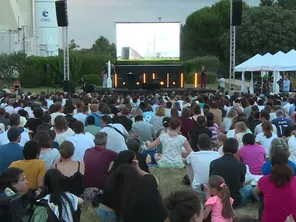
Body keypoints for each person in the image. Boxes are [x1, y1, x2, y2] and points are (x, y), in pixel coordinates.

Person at [210, 138, 253, 207]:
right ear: (236, 150)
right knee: (249, 188)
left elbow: (211, 181)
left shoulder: (214, 163)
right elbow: (241, 184)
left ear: (223, 149)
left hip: (217, 200)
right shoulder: (241, 166)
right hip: (235, 201)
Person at [255, 152, 296, 222]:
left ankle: (261, 216)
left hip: (268, 219)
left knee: (262, 194)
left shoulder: (264, 180)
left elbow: (256, 192)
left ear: (271, 166)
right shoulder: (294, 180)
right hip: (291, 219)